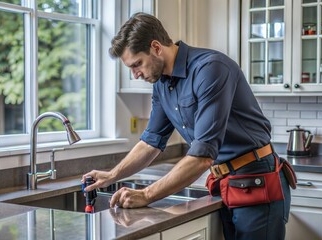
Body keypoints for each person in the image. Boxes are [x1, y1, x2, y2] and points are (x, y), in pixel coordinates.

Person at [82, 12, 291, 239]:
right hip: (225, 184)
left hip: (256, 181)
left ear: (156, 47)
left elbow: (203, 156)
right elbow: (151, 141)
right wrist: (111, 176)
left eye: (137, 64)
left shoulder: (211, 69)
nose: (135, 74)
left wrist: (146, 194)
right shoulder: (162, 83)